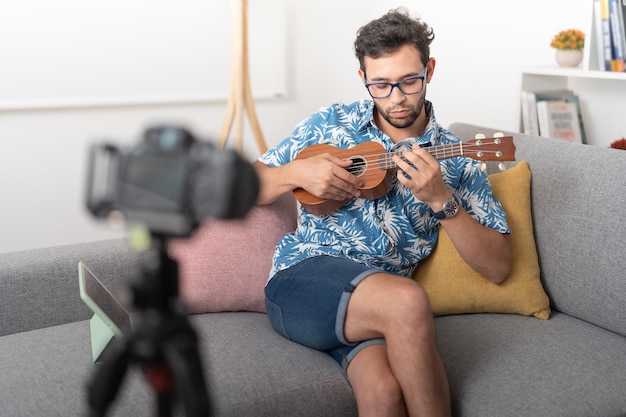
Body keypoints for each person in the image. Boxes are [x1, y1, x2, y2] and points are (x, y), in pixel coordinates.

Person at [253, 8, 512, 417]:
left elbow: (498, 267)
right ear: (363, 79)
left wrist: (441, 200)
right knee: (408, 302)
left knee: (385, 395)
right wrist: (295, 172)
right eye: (380, 85)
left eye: (409, 81)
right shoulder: (330, 124)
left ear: (430, 69)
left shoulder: (459, 158)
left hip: (376, 303)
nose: (396, 97)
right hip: (302, 281)